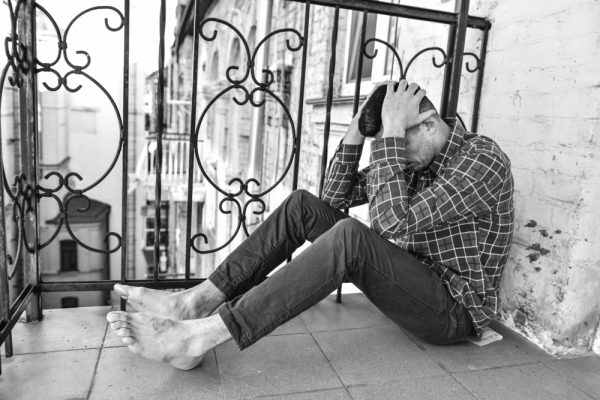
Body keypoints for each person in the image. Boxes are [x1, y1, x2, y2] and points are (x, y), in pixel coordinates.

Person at [107, 80, 514, 370]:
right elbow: (332, 201)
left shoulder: (481, 160)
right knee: (302, 205)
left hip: (452, 310)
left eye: (399, 142)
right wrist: (357, 132)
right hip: (409, 283)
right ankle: (196, 300)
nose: (398, 157)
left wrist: (390, 134)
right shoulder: (412, 157)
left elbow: (394, 224)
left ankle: (201, 335)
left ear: (428, 125)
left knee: (352, 238)